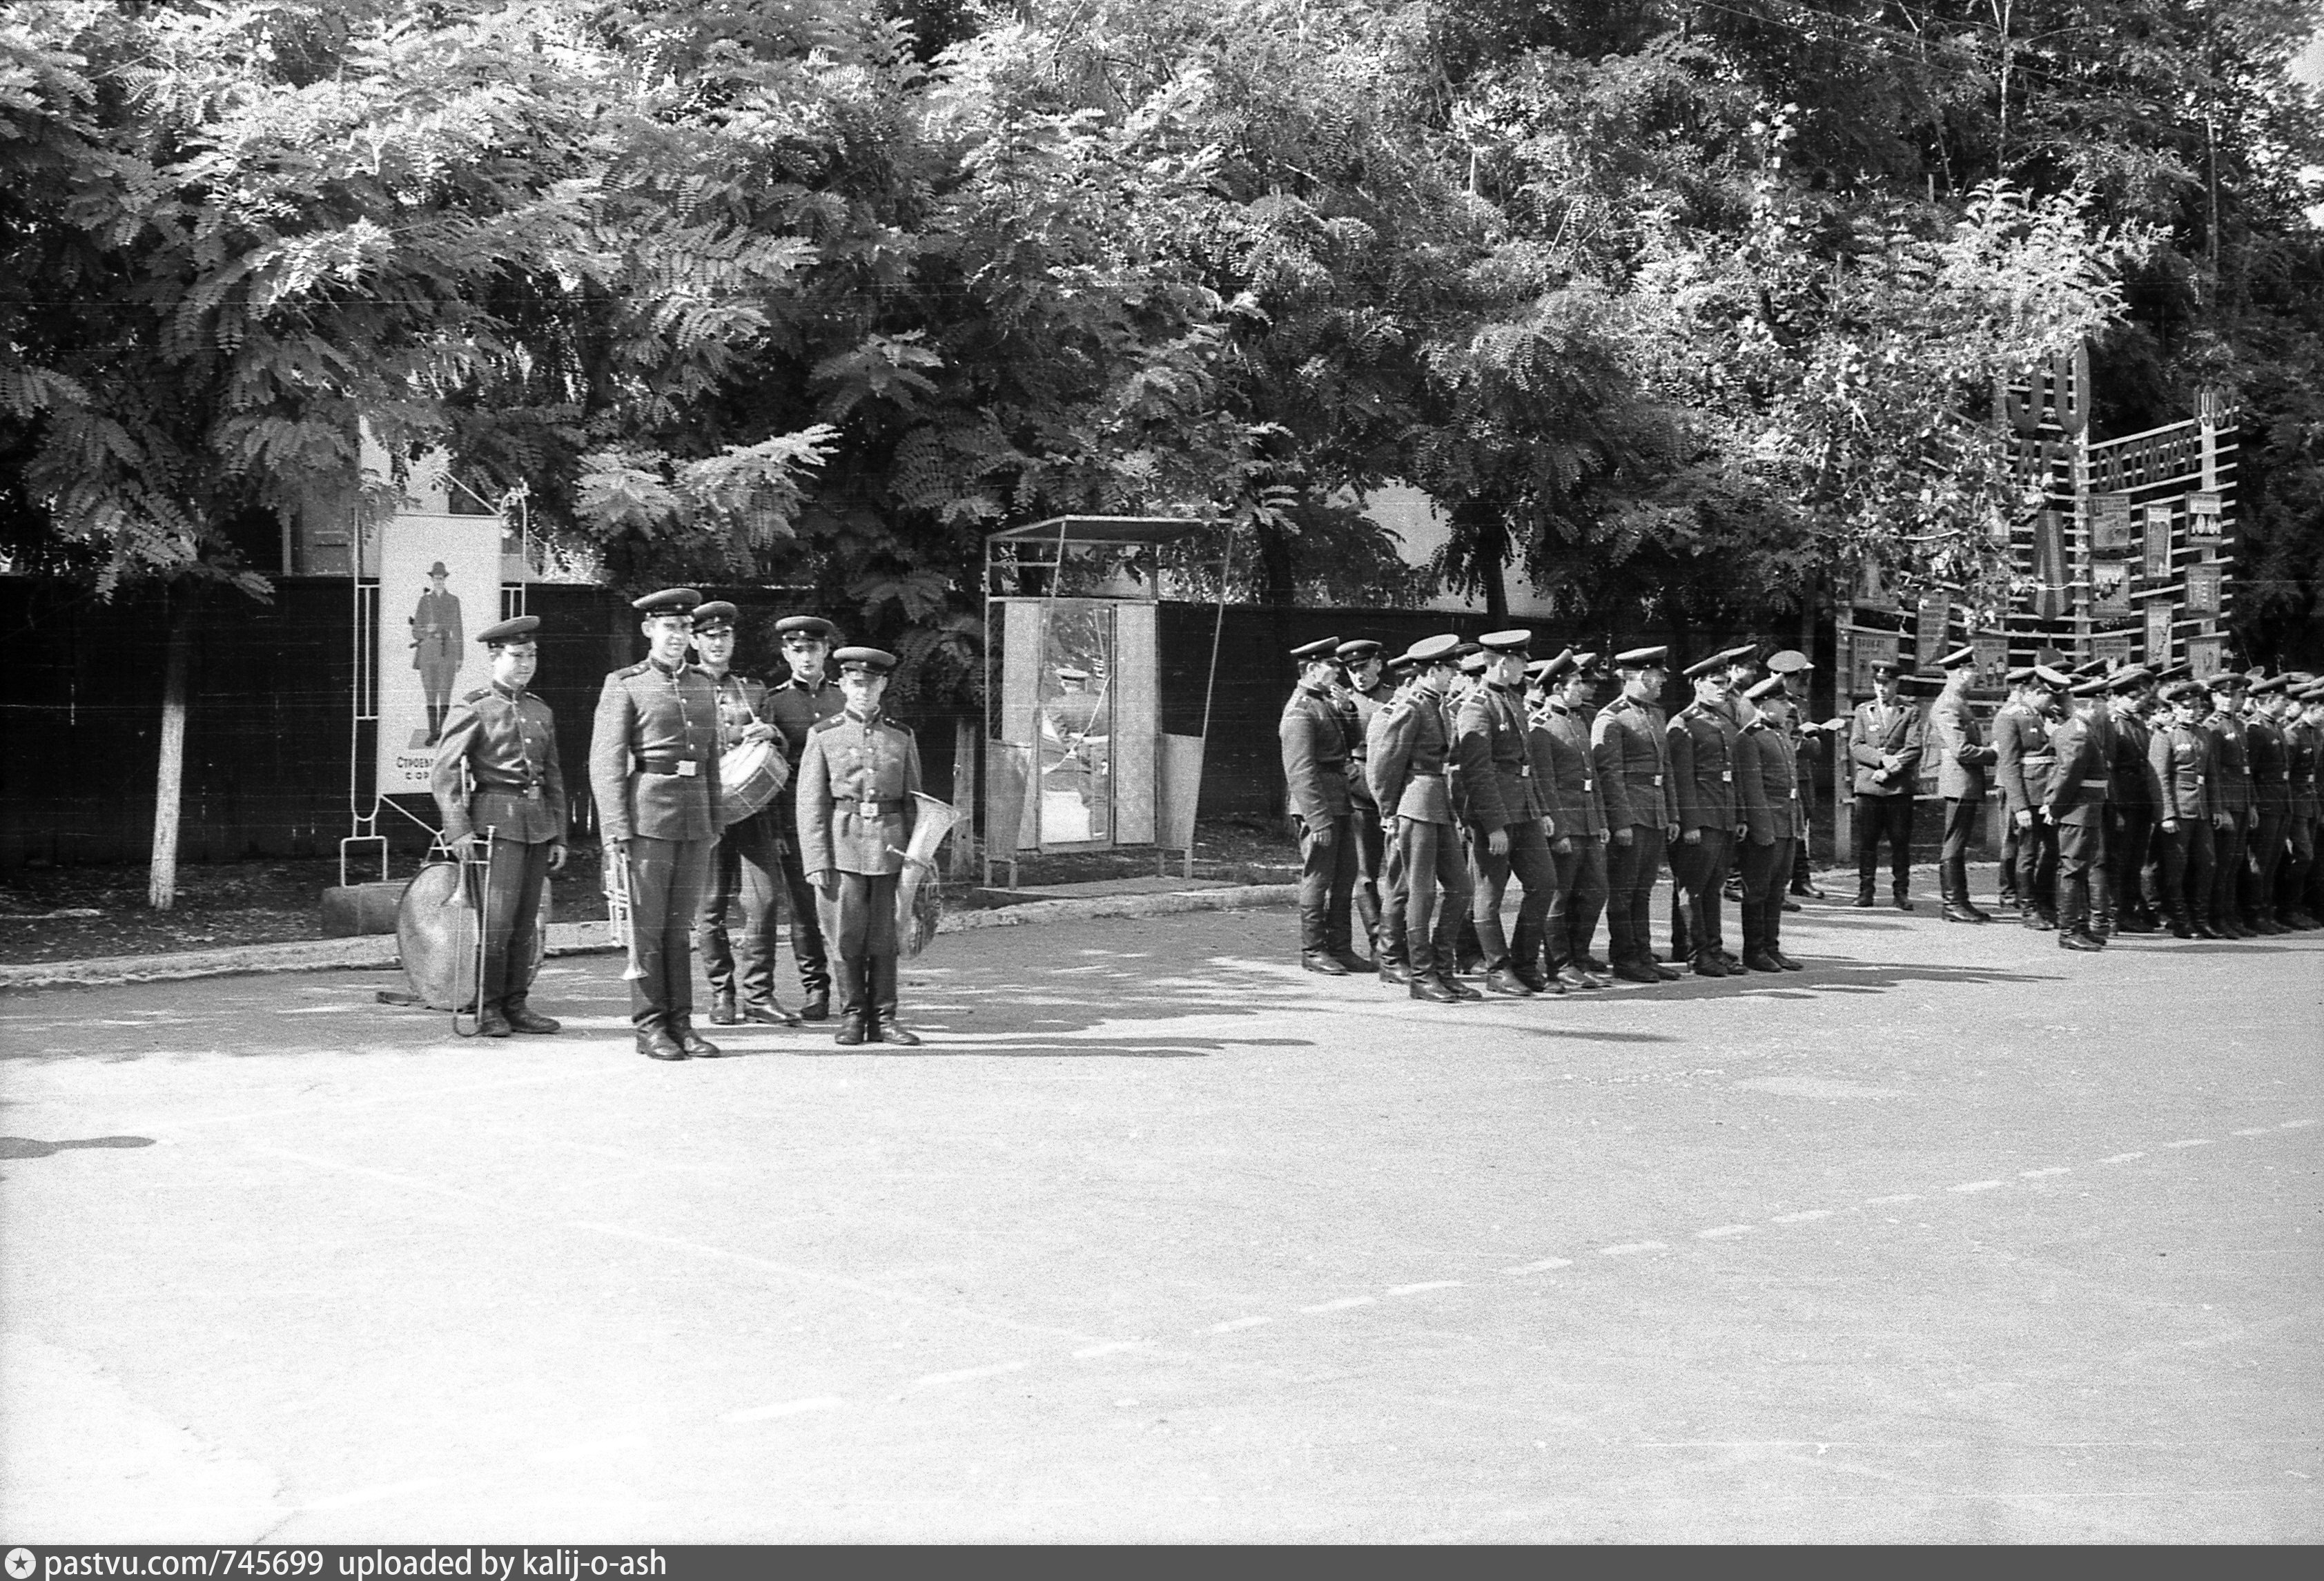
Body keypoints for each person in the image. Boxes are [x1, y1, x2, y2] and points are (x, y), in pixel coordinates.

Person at [591, 588, 724, 1061]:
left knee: (679, 927)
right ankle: (650, 1027)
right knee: (647, 928)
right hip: (647, 816)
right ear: (649, 630)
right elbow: (605, 761)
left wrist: (714, 819)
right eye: (670, 628)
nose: (679, 637)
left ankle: (682, 1024)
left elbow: (711, 761)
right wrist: (614, 828)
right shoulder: (626, 683)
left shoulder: (704, 685)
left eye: (685, 628)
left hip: (694, 819)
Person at [427, 615, 567, 1036]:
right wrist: (459, 829)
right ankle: (488, 1007)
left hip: (537, 826)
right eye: (517, 656)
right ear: (495, 657)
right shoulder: (475, 708)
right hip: (494, 825)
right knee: (497, 924)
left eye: (532, 656)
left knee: (527, 923)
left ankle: (516, 1004)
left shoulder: (539, 710)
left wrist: (560, 834)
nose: (526, 664)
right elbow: (444, 773)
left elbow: (554, 775)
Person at [795, 646, 926, 1045]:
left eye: (871, 684)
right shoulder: (824, 735)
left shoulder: (901, 737)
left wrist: (917, 857)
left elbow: (915, 800)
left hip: (890, 845)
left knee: (887, 934)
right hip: (843, 845)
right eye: (855, 683)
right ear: (843, 685)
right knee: (846, 933)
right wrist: (817, 859)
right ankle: (853, 1015)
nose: (863, 691)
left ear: (883, 685)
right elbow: (810, 802)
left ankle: (885, 1017)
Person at [687, 601, 801, 1029]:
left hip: (753, 811)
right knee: (710, 908)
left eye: (726, 636)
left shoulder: (752, 691)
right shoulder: (685, 687)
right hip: (705, 809)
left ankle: (759, 995)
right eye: (710, 637)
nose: (719, 644)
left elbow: (778, 751)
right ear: (696, 641)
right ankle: (722, 994)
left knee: (766, 901)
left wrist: (771, 732)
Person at [1370, 634, 1477, 1003]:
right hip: (1416, 804)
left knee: (1461, 887)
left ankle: (1443, 969)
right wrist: (1389, 811)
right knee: (1422, 891)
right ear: (1434, 670)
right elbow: (1384, 765)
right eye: (1450, 670)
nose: (1454, 676)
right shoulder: (1412, 707)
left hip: (1439, 803)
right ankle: (1422, 975)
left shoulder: (1440, 705)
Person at [1456, 630, 1559, 998]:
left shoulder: (1512, 699)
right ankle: (1497, 969)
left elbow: (1525, 764)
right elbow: (1477, 772)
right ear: (1503, 662)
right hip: (1496, 814)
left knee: (1544, 882)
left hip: (1525, 809)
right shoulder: (1477, 706)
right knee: (1489, 893)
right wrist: (1493, 825)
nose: (1526, 667)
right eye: (1522, 661)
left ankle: (1526, 962)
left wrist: (1541, 810)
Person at [764, 614, 846, 1018]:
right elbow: (769, 768)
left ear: (826, 650)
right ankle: (816, 990)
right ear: (786, 654)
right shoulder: (775, 703)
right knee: (803, 906)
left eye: (813, 648)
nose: (806, 657)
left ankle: (853, 990)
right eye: (797, 650)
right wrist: (777, 827)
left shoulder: (844, 699)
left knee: (847, 905)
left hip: (845, 818)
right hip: (798, 817)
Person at [1594, 646, 1681, 983]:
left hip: (1654, 810)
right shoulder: (1612, 717)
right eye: (1658, 675)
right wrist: (1621, 821)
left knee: (1643, 889)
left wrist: (1671, 813)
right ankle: (1625, 956)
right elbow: (1609, 774)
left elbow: (1666, 767)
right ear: (1643, 675)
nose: (1662, 681)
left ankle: (1643, 953)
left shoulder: (1653, 713)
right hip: (1631, 812)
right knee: (1624, 889)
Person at [1280, 636, 1367, 976]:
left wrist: (1347, 709)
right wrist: (1317, 820)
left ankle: (1341, 947)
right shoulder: (1300, 709)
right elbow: (1300, 770)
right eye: (1330, 665)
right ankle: (1313, 949)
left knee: (1345, 874)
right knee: (1318, 875)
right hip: (1318, 804)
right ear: (1312, 669)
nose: (1337, 671)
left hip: (1339, 800)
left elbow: (1350, 743)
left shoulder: (1325, 702)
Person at [1667, 647, 1752, 977]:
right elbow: (1682, 779)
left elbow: (1735, 774)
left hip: (1724, 817)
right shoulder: (1684, 724)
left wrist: (1740, 815)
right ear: (1697, 685)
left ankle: (1713, 949)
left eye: (1725, 684)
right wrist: (1689, 823)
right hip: (1700, 819)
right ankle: (1697, 953)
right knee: (1694, 887)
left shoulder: (1724, 722)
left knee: (1714, 887)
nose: (1722, 689)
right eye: (1715, 683)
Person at [1530, 650, 1611, 991]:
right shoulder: (1542, 727)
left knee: (1595, 891)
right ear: (1557, 688)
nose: (1582, 688)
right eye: (1576, 683)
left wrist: (1601, 820)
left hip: (1589, 822)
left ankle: (1578, 958)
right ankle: (1559, 963)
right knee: (1560, 896)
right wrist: (1558, 830)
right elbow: (1544, 782)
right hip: (1566, 824)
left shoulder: (1578, 721)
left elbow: (1592, 778)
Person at [1735, 675, 1806, 971]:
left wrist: (1797, 824)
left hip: (1787, 822)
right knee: (1758, 889)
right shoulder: (1750, 738)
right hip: (1767, 826)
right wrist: (1763, 830)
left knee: (1778, 889)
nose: (1788, 706)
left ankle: (1771, 946)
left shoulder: (1780, 734)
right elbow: (1753, 789)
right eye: (1782, 701)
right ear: (1764, 704)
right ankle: (1754, 950)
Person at [1926, 646, 1997, 924]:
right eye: (1971, 670)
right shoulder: (1947, 705)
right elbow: (1962, 750)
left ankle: (1960, 901)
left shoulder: (1957, 702)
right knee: (1954, 842)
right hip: (1959, 781)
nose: (1975, 676)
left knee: (1959, 841)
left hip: (1965, 781)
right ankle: (1953, 903)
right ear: (1958, 673)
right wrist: (1994, 753)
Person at [1365, 650, 1423, 985]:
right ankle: (1390, 956)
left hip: (1423, 810)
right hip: (1403, 810)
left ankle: (1406, 953)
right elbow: (1381, 770)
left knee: (1415, 886)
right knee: (1399, 885)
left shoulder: (1422, 709)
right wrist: (1389, 812)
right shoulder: (1392, 714)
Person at [1847, 659, 1924, 910]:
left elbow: (1914, 748)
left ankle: (1901, 892)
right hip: (1869, 787)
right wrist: (1883, 761)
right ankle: (1865, 891)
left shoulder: (1909, 711)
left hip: (1898, 788)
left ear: (1896, 683)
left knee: (1900, 842)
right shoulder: (1863, 711)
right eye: (1878, 683)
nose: (1882, 688)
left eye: (1887, 683)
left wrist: (1889, 772)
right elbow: (1856, 746)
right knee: (1867, 842)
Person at [2047, 675, 2113, 951]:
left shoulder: (2080, 728)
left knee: (2081, 869)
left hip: (2086, 808)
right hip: (2079, 810)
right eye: (2101, 701)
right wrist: (2055, 807)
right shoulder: (2079, 732)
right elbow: (2067, 775)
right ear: (2089, 703)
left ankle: (2081, 926)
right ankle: (2069, 930)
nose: (2105, 707)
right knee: (2073, 870)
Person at [1994, 666, 2063, 927]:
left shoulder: (2045, 717)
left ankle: (2046, 902)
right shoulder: (2010, 718)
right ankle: (2028, 908)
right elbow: (2009, 765)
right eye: (2049, 696)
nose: (2054, 701)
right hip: (2029, 795)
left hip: (2048, 795)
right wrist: (2020, 806)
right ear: (2035, 692)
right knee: (2028, 853)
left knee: (2052, 852)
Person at [1336, 639, 1392, 962]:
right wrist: (1367, 788)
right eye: (1351, 670)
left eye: (1363, 668)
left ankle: (1401, 941)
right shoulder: (1345, 703)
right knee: (1366, 873)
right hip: (1362, 795)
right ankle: (1379, 944)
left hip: (1395, 793)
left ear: (1378, 665)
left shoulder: (1395, 699)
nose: (1358, 676)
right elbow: (1339, 754)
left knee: (1404, 874)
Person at [2149, 680, 2217, 938]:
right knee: (2176, 869)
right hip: (2179, 809)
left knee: (2207, 864)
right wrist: (2166, 814)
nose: (2191, 712)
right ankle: (2180, 921)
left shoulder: (2203, 734)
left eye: (2195, 707)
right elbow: (2159, 779)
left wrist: (2217, 809)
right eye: (2185, 707)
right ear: (2174, 709)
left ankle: (2200, 919)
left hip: (2201, 810)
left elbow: (2212, 776)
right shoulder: (2165, 736)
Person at [2105, 667, 2164, 935]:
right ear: (2116, 697)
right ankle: (2114, 913)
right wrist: (2115, 806)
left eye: (2140, 697)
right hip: (2123, 800)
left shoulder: (2138, 724)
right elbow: (2109, 769)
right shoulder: (2113, 725)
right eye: (2132, 697)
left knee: (2135, 859)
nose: (2138, 702)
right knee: (2119, 859)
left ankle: (2129, 909)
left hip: (2140, 799)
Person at [2200, 670, 2254, 938]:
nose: (2230, 700)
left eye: (2234, 695)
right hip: (2227, 803)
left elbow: (2246, 769)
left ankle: (2229, 915)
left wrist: (2252, 804)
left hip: (2242, 800)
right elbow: (2214, 772)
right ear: (2213, 697)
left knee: (2235, 863)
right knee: (2221, 865)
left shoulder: (2239, 725)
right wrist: (2220, 808)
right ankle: (2216, 916)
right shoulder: (2212, 727)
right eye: (2224, 695)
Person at [2242, 675, 2293, 933]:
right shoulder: (2256, 729)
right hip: (2265, 802)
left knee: (2273, 860)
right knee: (2259, 861)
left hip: (2280, 801)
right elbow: (2248, 771)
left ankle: (2266, 910)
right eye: (2284, 700)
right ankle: (2254, 913)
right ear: (2270, 700)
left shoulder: (2274, 726)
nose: (2287, 704)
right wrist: (2253, 803)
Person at [2281, 679, 2323, 930]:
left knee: (2309, 857)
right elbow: (2285, 774)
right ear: (2311, 707)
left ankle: (2295, 908)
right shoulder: (2292, 735)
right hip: (2294, 804)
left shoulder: (2314, 734)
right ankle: (2286, 907)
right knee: (2303, 856)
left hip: (2310, 802)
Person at [409, 561, 465, 746]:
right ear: (432, 580)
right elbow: (416, 629)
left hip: (447, 648)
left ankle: (441, 729)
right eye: (436, 578)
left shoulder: (453, 601)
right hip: (428, 651)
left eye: (441, 578)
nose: (439, 581)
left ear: (445, 579)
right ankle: (434, 731)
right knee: (430, 692)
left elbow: (457, 628)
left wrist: (459, 656)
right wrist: (427, 630)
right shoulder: (425, 601)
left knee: (445, 690)